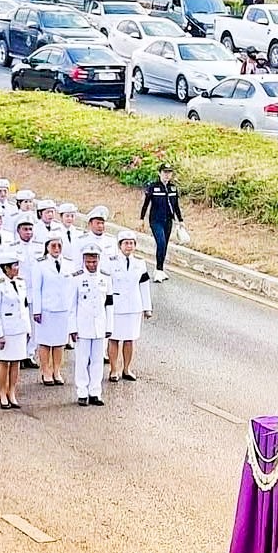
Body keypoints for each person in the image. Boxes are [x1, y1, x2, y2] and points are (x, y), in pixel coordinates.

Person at [106, 230, 152, 383]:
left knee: (130, 339)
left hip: (133, 306)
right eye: (126, 243)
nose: (129, 246)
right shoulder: (110, 261)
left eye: (131, 243)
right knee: (114, 339)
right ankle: (113, 369)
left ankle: (127, 368)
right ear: (120, 245)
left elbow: (144, 286)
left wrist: (147, 307)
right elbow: (106, 285)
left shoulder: (140, 263)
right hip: (116, 306)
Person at [70, 243, 112, 406]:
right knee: (82, 360)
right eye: (88, 261)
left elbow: (109, 304)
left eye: (94, 261)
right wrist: (72, 328)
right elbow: (72, 306)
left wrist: (109, 327)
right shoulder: (77, 278)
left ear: (98, 260)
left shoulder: (105, 278)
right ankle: (82, 391)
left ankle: (95, 392)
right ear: (83, 260)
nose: (91, 265)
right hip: (83, 325)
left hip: (100, 326)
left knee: (97, 360)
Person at [33, 234, 75, 386]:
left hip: (63, 309)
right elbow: (36, 289)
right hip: (47, 309)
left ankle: (56, 370)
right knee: (45, 342)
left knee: (59, 343)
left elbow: (72, 288)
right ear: (47, 247)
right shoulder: (40, 264)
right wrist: (36, 310)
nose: (56, 249)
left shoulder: (69, 264)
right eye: (53, 246)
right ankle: (45, 370)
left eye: (59, 245)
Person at [0, 251, 30, 409]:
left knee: (16, 362)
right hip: (6, 329)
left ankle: (12, 391)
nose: (17, 268)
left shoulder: (21, 282)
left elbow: (24, 307)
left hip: (19, 328)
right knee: (4, 362)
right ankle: (2, 392)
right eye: (14, 266)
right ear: (6, 268)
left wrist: (28, 329)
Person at [139, 163, 183, 282]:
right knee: (161, 242)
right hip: (155, 220)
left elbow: (176, 206)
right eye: (164, 172)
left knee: (165, 245)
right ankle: (158, 270)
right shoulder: (153, 187)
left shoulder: (173, 188)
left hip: (168, 221)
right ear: (159, 173)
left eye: (169, 173)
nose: (167, 175)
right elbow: (146, 204)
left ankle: (160, 269)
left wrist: (180, 220)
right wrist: (141, 219)